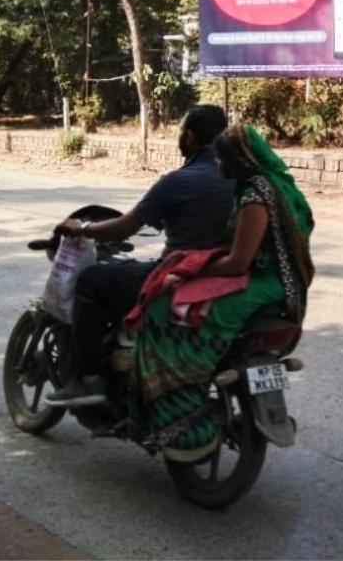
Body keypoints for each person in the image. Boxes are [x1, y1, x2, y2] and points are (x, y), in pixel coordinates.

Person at [123, 123, 315, 462]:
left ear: (240, 160)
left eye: (223, 158)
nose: (218, 164)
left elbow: (237, 262)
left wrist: (186, 268)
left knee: (162, 307)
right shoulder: (277, 184)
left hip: (264, 287)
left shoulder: (255, 196)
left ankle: (179, 409)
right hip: (277, 284)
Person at [44, 104, 236, 408]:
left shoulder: (178, 181)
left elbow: (121, 228)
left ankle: (86, 379)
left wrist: (82, 228)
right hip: (225, 279)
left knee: (92, 281)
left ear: (190, 135)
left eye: (182, 132)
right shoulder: (240, 176)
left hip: (178, 276)